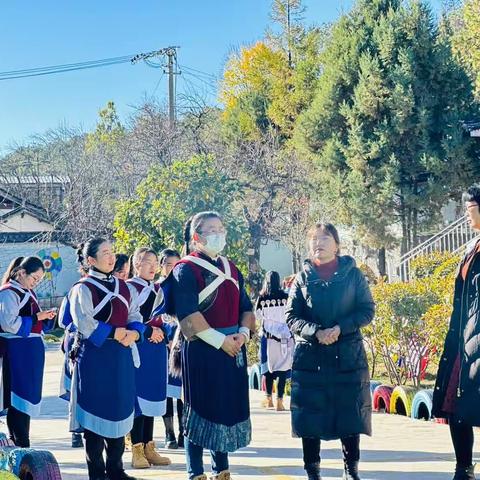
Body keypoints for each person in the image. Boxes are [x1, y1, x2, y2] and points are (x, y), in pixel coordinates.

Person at [285, 223, 375, 480]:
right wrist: (316, 332)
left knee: (349, 414)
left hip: (347, 354)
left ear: (337, 244)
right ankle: (312, 471)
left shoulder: (353, 275)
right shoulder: (302, 277)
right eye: (314, 239)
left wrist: (340, 328)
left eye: (325, 238)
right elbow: (291, 317)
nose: (319, 243)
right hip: (311, 357)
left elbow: (366, 310)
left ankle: (351, 469)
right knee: (310, 416)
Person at [170, 211, 255, 480]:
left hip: (233, 348)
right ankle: (195, 472)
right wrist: (220, 342)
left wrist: (242, 335)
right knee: (199, 411)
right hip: (202, 349)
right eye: (211, 230)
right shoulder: (186, 269)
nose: (219, 234)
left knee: (224, 408)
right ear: (197, 237)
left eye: (221, 228)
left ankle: (222, 470)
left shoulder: (232, 268)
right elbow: (188, 315)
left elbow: (246, 307)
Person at [69, 237, 146, 480]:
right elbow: (84, 322)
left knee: (119, 412)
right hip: (95, 358)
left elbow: (135, 314)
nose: (111, 257)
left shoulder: (125, 287)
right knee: (94, 416)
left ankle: (116, 470)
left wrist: (135, 332)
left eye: (112, 252)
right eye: (105, 253)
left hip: (121, 357)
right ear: (91, 260)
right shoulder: (82, 288)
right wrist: (115, 332)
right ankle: (97, 473)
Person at [432, 185, 480, 480]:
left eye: (469, 208)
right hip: (465, 338)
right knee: (455, 403)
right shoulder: (472, 246)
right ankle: (463, 467)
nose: (465, 214)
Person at [0, 256, 57, 447]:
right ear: (22, 272)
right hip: (17, 352)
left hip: (29, 352)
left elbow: (35, 322)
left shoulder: (27, 292)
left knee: (26, 403)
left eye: (39, 280)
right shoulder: (8, 293)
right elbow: (9, 324)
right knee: (17, 401)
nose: (36, 283)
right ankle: (21, 444)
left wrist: (45, 318)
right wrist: (35, 318)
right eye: (34, 278)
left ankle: (23, 443)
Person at [127, 247, 171, 469]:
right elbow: (127, 318)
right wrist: (148, 331)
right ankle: (136, 448)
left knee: (154, 397)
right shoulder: (128, 288)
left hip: (157, 351)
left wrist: (166, 332)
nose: (152, 266)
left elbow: (166, 317)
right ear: (136, 264)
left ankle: (149, 447)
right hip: (139, 348)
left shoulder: (159, 289)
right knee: (138, 398)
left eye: (155, 262)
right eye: (147, 262)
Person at [58, 245, 88, 448]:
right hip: (77, 344)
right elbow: (63, 320)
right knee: (77, 390)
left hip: (87, 343)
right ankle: (76, 431)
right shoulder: (77, 289)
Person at [255, 270, 293, 412]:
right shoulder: (286, 296)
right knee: (282, 368)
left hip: (268, 336)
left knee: (267, 367)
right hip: (284, 337)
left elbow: (258, 316)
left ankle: (268, 398)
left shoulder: (262, 297)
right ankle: (280, 401)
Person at [158, 248, 184, 449]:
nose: (171, 268)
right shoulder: (157, 289)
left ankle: (185, 432)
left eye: (175, 264)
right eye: (167, 264)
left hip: (182, 347)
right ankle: (169, 434)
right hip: (162, 348)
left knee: (183, 393)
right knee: (166, 393)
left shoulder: (185, 287)